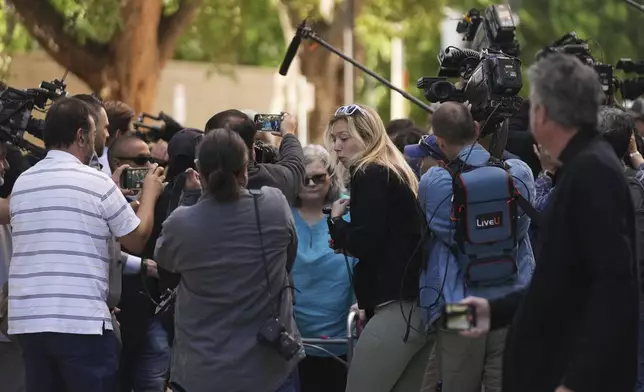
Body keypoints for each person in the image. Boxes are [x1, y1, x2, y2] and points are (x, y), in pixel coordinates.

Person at [461, 53, 639, 392]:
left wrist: (577, 382)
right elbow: (563, 282)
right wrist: (492, 311)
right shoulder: (582, 166)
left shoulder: (592, 171)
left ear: (544, 112)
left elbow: (613, 288)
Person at [8, 97, 164, 392]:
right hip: (81, 326)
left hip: (29, 324)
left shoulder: (23, 183)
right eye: (94, 132)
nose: (98, 139)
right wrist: (151, 194)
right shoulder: (96, 182)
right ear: (81, 135)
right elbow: (137, 237)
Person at [155, 128, 303, 392]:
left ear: (198, 169)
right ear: (245, 168)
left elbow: (167, 272)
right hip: (269, 367)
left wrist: (189, 197)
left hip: (202, 371)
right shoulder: (273, 206)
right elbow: (288, 258)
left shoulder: (181, 223)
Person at [413, 102, 535, 392]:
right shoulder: (519, 173)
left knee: (453, 382)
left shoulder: (435, 182)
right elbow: (521, 226)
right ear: (478, 129)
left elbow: (444, 230)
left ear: (440, 142)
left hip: (459, 306)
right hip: (511, 300)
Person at [325, 104, 431, 392]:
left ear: (368, 136)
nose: (337, 147)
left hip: (395, 309)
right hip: (415, 309)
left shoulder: (369, 171)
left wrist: (336, 222)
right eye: (334, 139)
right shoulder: (393, 170)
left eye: (344, 138)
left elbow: (366, 242)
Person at [291, 145, 354, 392]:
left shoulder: (348, 213)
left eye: (319, 176)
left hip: (342, 338)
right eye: (304, 178)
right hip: (291, 340)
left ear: (331, 176)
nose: (311, 183)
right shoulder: (280, 214)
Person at [203, 110, 305, 205]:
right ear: (253, 151)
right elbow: (294, 169)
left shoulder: (196, 184)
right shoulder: (275, 199)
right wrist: (289, 134)